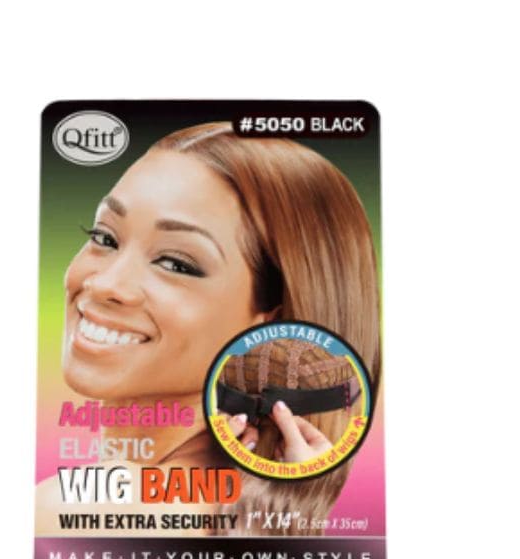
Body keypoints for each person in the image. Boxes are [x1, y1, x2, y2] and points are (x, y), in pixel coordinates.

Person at [38, 121, 380, 537]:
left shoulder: (85, 508)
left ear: (274, 324)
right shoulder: (241, 514)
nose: (105, 284)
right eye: (105, 237)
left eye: (176, 264)